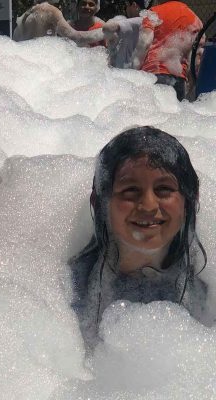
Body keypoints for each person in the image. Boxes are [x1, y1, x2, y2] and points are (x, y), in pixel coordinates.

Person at [70, 126, 208, 348]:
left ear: (190, 199)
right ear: (99, 201)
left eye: (164, 189)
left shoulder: (207, 293)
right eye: (130, 190)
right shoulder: (69, 291)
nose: (149, 205)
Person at [131, 0, 203, 101]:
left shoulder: (153, 13)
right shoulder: (195, 18)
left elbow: (145, 42)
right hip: (179, 79)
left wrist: (133, 73)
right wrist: (190, 83)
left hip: (153, 75)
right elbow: (197, 57)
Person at [102, 0, 150, 68]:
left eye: (127, 5)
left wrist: (110, 22)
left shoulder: (137, 21)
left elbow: (107, 28)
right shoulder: (150, 23)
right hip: (136, 71)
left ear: (134, 5)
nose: (126, 8)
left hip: (124, 70)